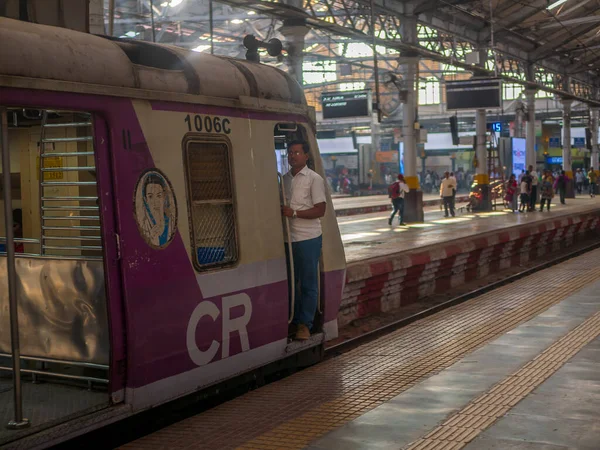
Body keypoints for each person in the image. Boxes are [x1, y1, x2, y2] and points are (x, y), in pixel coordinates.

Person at [282, 140, 326, 341]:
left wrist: (294, 214)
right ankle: (293, 318)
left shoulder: (314, 179)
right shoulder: (284, 179)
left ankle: (305, 324)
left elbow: (320, 210)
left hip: (308, 238)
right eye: (290, 152)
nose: (292, 156)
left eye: (297, 152)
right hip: (287, 239)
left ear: (306, 156)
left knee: (308, 283)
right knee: (292, 282)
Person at [140, 173, 175, 247]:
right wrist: (151, 238)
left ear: (164, 197)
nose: (155, 201)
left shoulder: (172, 222)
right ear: (146, 200)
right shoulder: (144, 226)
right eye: (150, 196)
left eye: (159, 195)